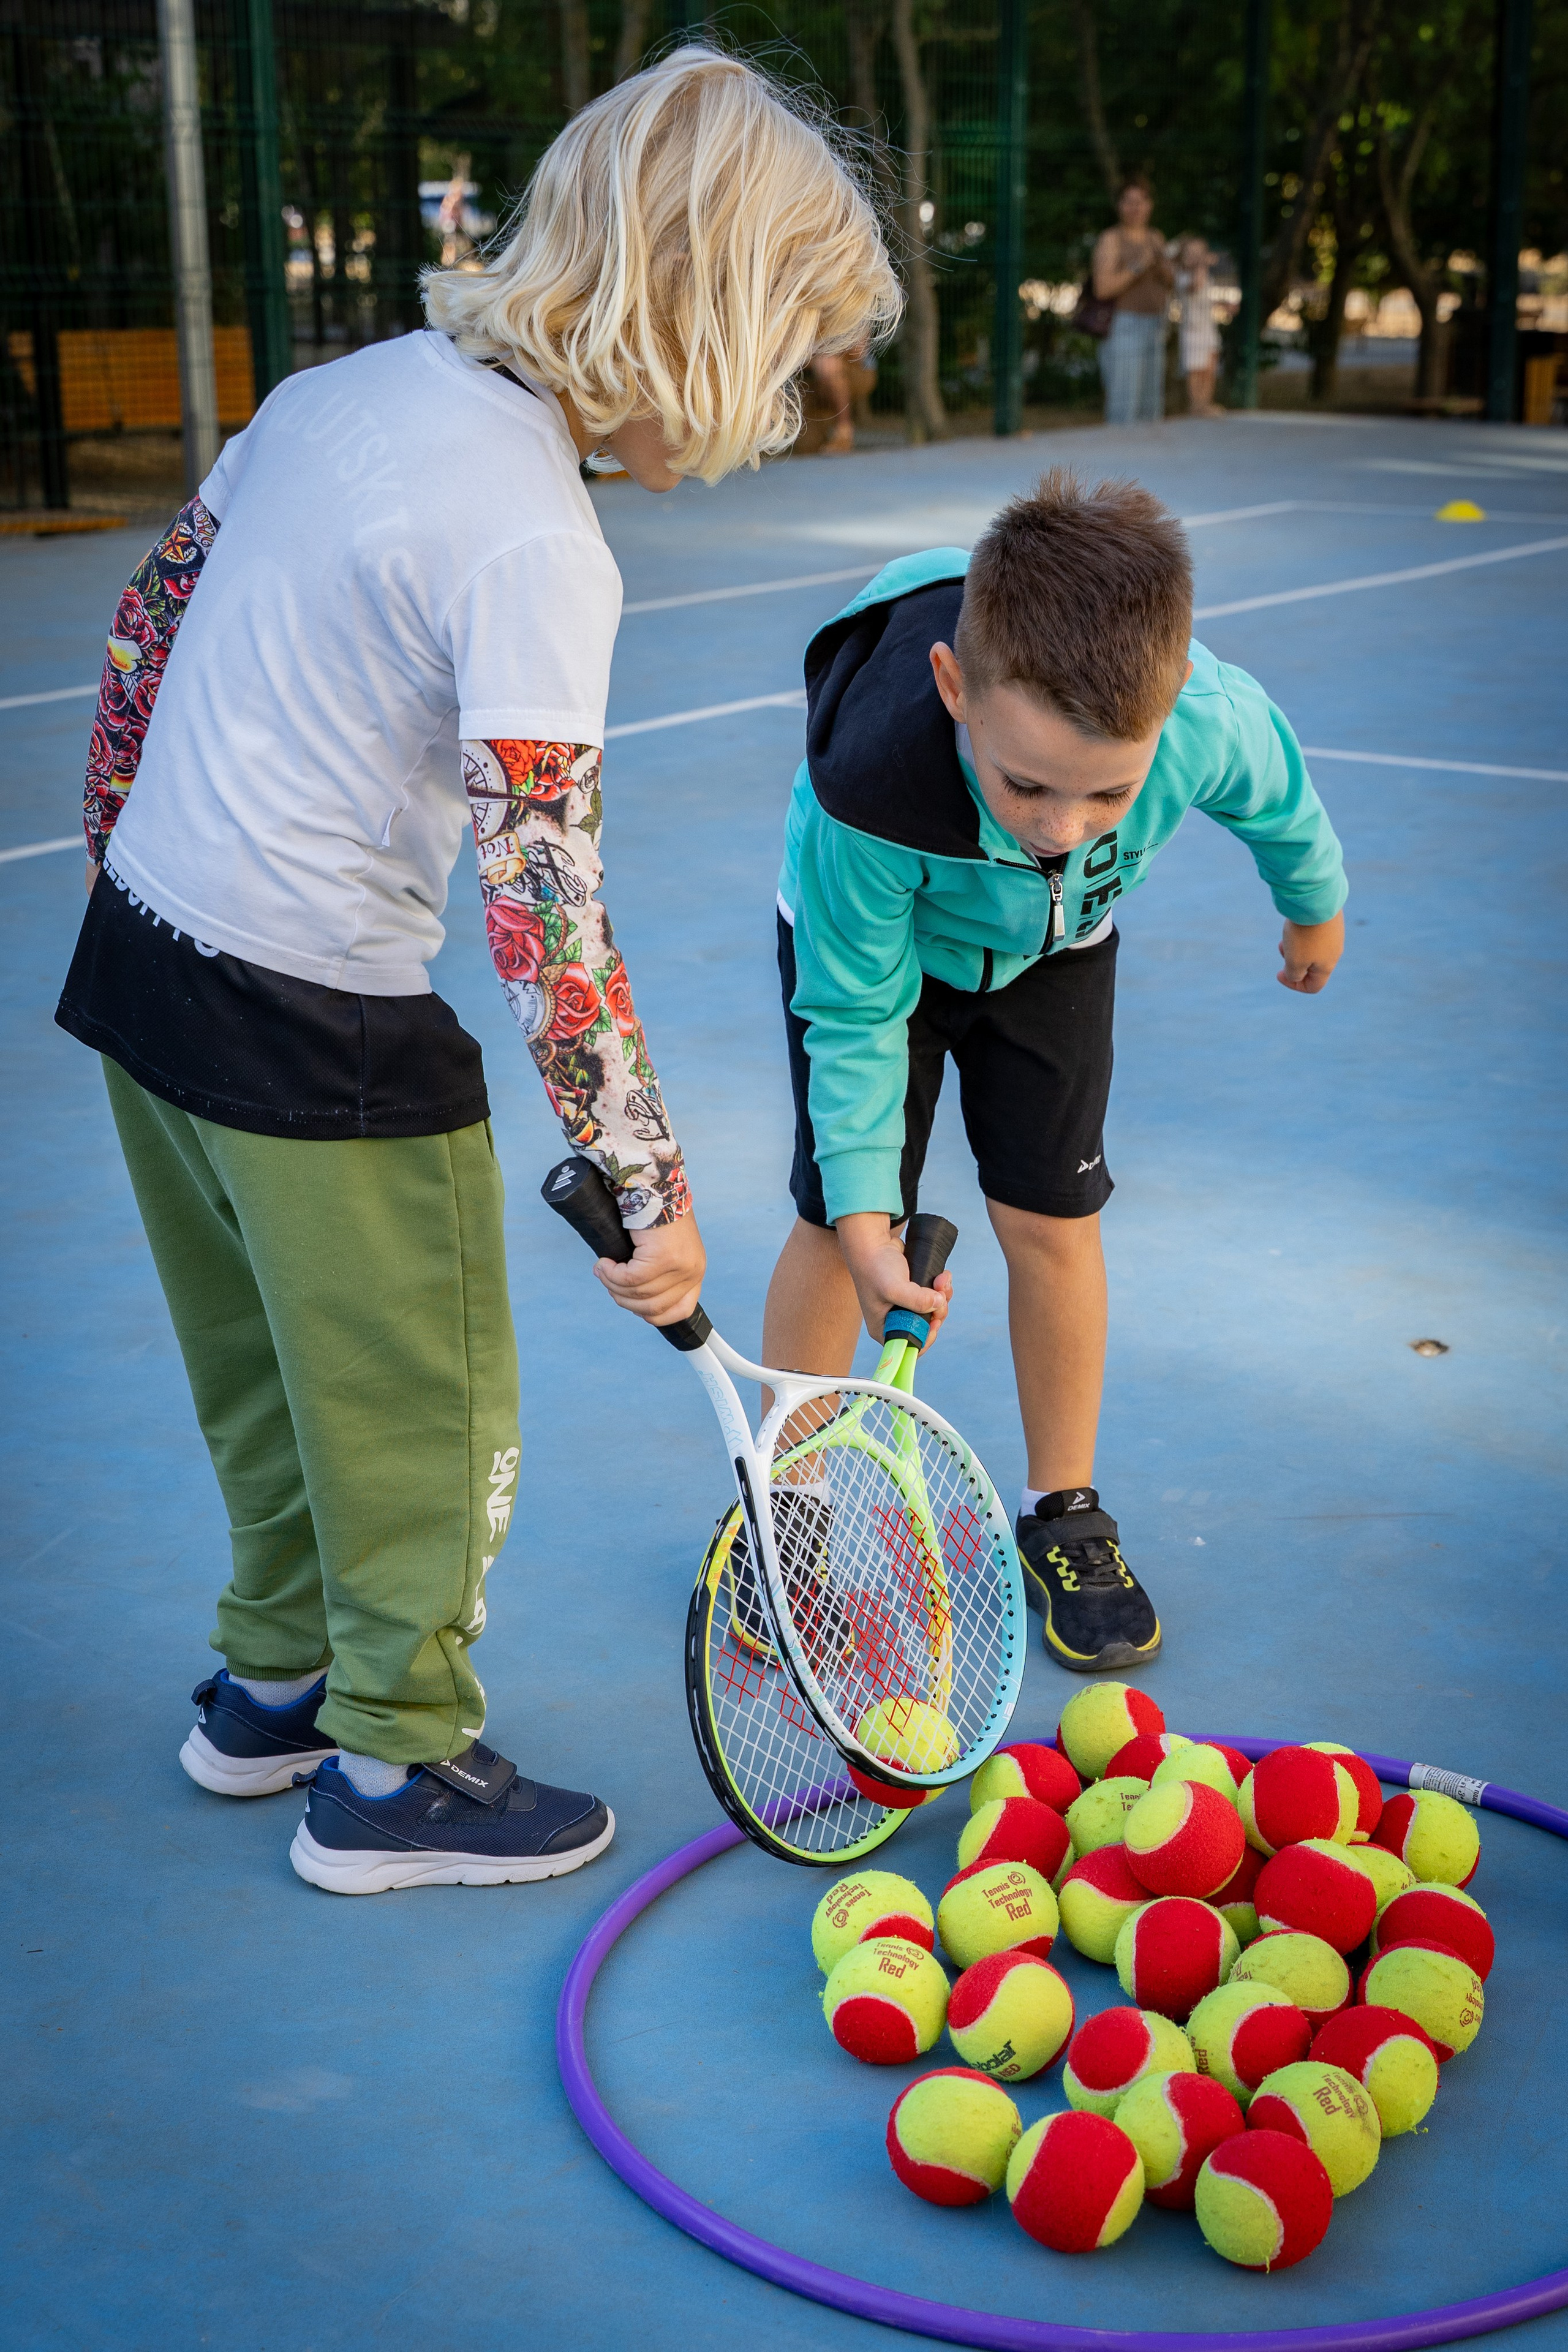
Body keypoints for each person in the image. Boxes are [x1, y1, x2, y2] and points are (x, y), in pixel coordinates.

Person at [55, 49, 898, 1894]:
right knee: (424, 1407)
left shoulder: (336, 389)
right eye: (784, 352)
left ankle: (270, 1678)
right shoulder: (536, 536)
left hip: (139, 968)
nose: (779, 400)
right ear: (701, 318)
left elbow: (142, 633)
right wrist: (649, 1191)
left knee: (270, 1371)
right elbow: (544, 892)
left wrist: (134, 864)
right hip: (314, 1020)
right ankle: (390, 1768)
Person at [760, 470, 1347, 1675]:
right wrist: (874, 1215)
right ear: (951, 690)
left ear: (1170, 707)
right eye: (1024, 781)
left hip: (1053, 952)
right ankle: (792, 1505)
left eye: (1106, 793)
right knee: (833, 1222)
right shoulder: (867, 795)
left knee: (1053, 1219)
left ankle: (1062, 1509)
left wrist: (1312, 908)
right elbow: (854, 1016)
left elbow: (1281, 800)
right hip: (883, 960)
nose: (1061, 826)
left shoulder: (1204, 720)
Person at [1093, 182, 1174, 426]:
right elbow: (1103, 288)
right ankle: (1118, 460)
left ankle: (1147, 462)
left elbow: (1170, 282)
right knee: (1124, 405)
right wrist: (1139, 265)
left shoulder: (1156, 237)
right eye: (1129, 201)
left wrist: (1163, 267)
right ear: (1119, 206)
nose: (1135, 208)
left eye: (1141, 202)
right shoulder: (1111, 239)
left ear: (1150, 206)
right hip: (1124, 326)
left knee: (1152, 406)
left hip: (1156, 325)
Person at [1175, 235, 1223, 418]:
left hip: (1208, 330)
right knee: (1196, 370)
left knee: (1209, 368)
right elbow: (1196, 286)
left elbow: (1206, 297)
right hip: (1192, 332)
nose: (1197, 257)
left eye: (1200, 253)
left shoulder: (1206, 275)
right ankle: (1196, 405)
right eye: (1192, 253)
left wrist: (1223, 305)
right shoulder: (1182, 277)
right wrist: (1202, 265)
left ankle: (1206, 403)